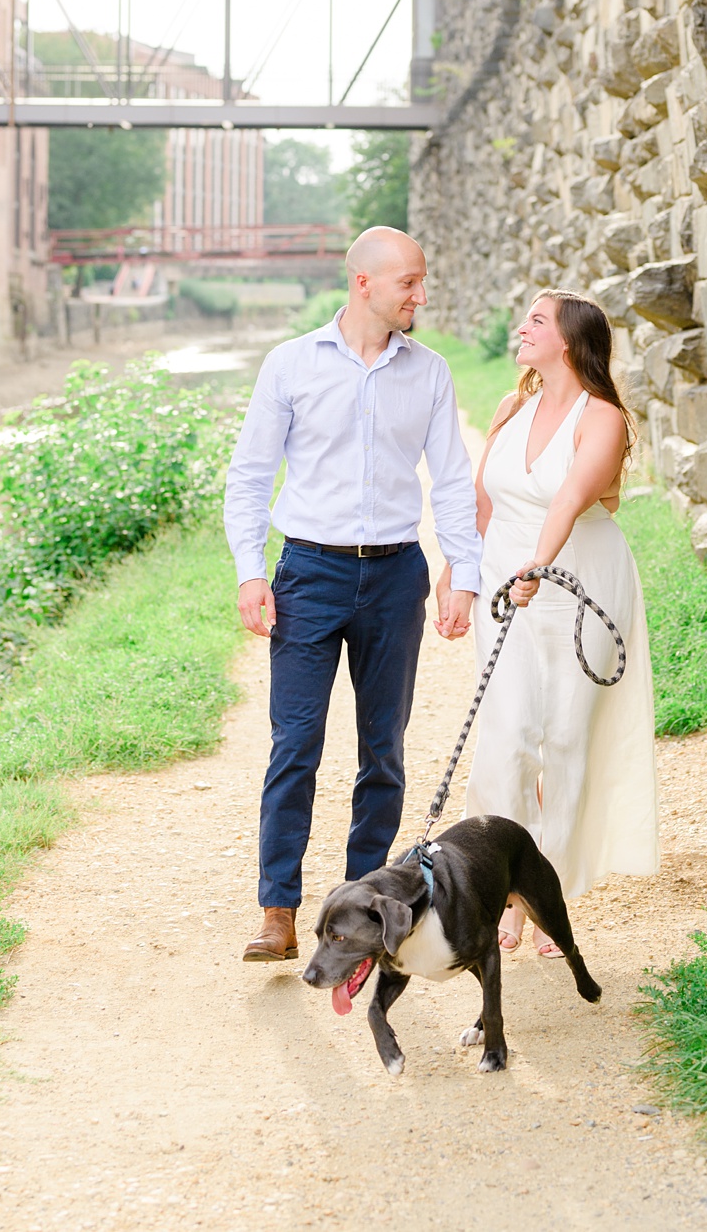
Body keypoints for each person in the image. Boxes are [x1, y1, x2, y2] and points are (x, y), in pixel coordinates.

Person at [224, 227, 483, 964]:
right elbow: (249, 476)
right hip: (308, 573)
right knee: (295, 746)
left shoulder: (428, 372)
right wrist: (251, 569)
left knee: (383, 754)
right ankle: (278, 912)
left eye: (422, 280)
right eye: (409, 282)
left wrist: (460, 572)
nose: (421, 295)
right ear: (363, 283)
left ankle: (361, 910)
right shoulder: (291, 366)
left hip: (395, 575)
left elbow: (454, 478)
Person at [445, 288, 657, 954]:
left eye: (535, 320)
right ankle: (499, 881)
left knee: (565, 740)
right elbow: (483, 502)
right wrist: (460, 573)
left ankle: (542, 892)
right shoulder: (511, 407)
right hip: (508, 586)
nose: (521, 328)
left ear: (567, 339)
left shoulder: (604, 417)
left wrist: (540, 561)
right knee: (507, 735)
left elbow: (570, 495)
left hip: (580, 581)